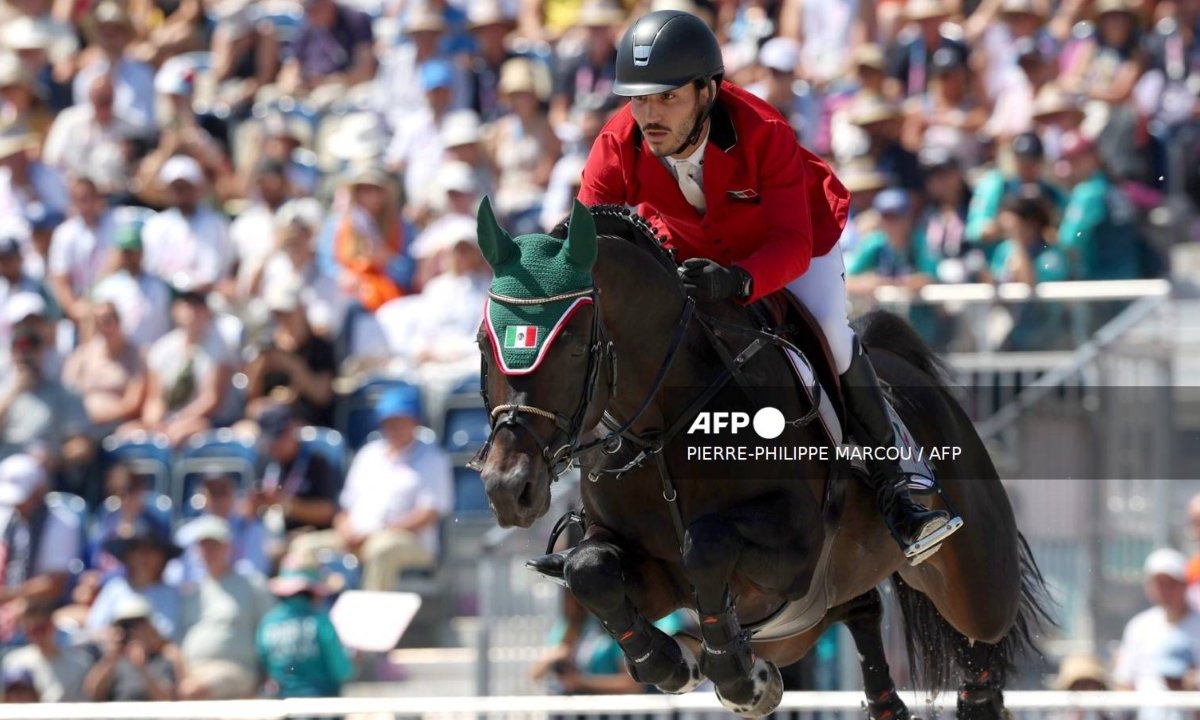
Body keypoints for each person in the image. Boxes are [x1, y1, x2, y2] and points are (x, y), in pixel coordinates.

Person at [540, 9, 960, 573]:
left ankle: (899, 489)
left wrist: (741, 279)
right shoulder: (618, 141)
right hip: (690, 250)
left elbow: (790, 241)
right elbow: (586, 246)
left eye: (666, 98)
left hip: (795, 244)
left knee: (833, 339)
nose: (649, 115)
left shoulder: (764, 132)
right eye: (640, 100)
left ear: (707, 90)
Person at [290, 385, 452, 592]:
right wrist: (345, 529)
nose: (393, 427)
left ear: (414, 421)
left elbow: (428, 514)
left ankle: (370, 620)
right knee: (303, 547)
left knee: (381, 549)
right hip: (356, 537)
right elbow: (345, 507)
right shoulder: (368, 454)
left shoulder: (433, 459)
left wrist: (378, 532)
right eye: (388, 422)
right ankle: (309, 616)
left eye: (399, 421)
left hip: (409, 542)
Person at [177, 515, 272, 700]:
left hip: (236, 670)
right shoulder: (192, 592)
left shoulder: (252, 584)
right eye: (203, 545)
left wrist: (268, 676)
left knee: (193, 691)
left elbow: (269, 630)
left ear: (228, 547)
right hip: (191, 673)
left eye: (214, 545)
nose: (208, 551)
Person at [1113, 548, 1200, 717]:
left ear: (1184, 585)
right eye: (1158, 584)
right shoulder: (1139, 626)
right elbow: (1125, 682)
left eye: (1170, 584)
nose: (1164, 591)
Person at [257, 563, 352, 698]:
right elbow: (342, 670)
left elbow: (265, 662)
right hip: (321, 704)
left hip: (282, 702)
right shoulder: (320, 621)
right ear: (313, 593)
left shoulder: (268, 622)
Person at [244, 404, 339, 534]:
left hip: (308, 535)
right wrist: (254, 505)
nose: (273, 445)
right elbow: (247, 511)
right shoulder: (265, 461)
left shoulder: (315, 462)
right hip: (269, 536)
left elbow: (328, 512)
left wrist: (286, 504)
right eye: (269, 441)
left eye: (278, 438)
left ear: (291, 431)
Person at [82, 594, 182, 701]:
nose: (132, 631)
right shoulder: (112, 662)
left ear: (149, 626)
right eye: (126, 626)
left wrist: (142, 669)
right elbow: (92, 693)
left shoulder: (162, 659)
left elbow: (166, 699)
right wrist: (110, 660)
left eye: (137, 624)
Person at [1, 601, 91, 702]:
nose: (37, 636)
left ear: (52, 625)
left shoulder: (80, 661)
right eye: (30, 630)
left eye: (41, 628)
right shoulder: (14, 661)